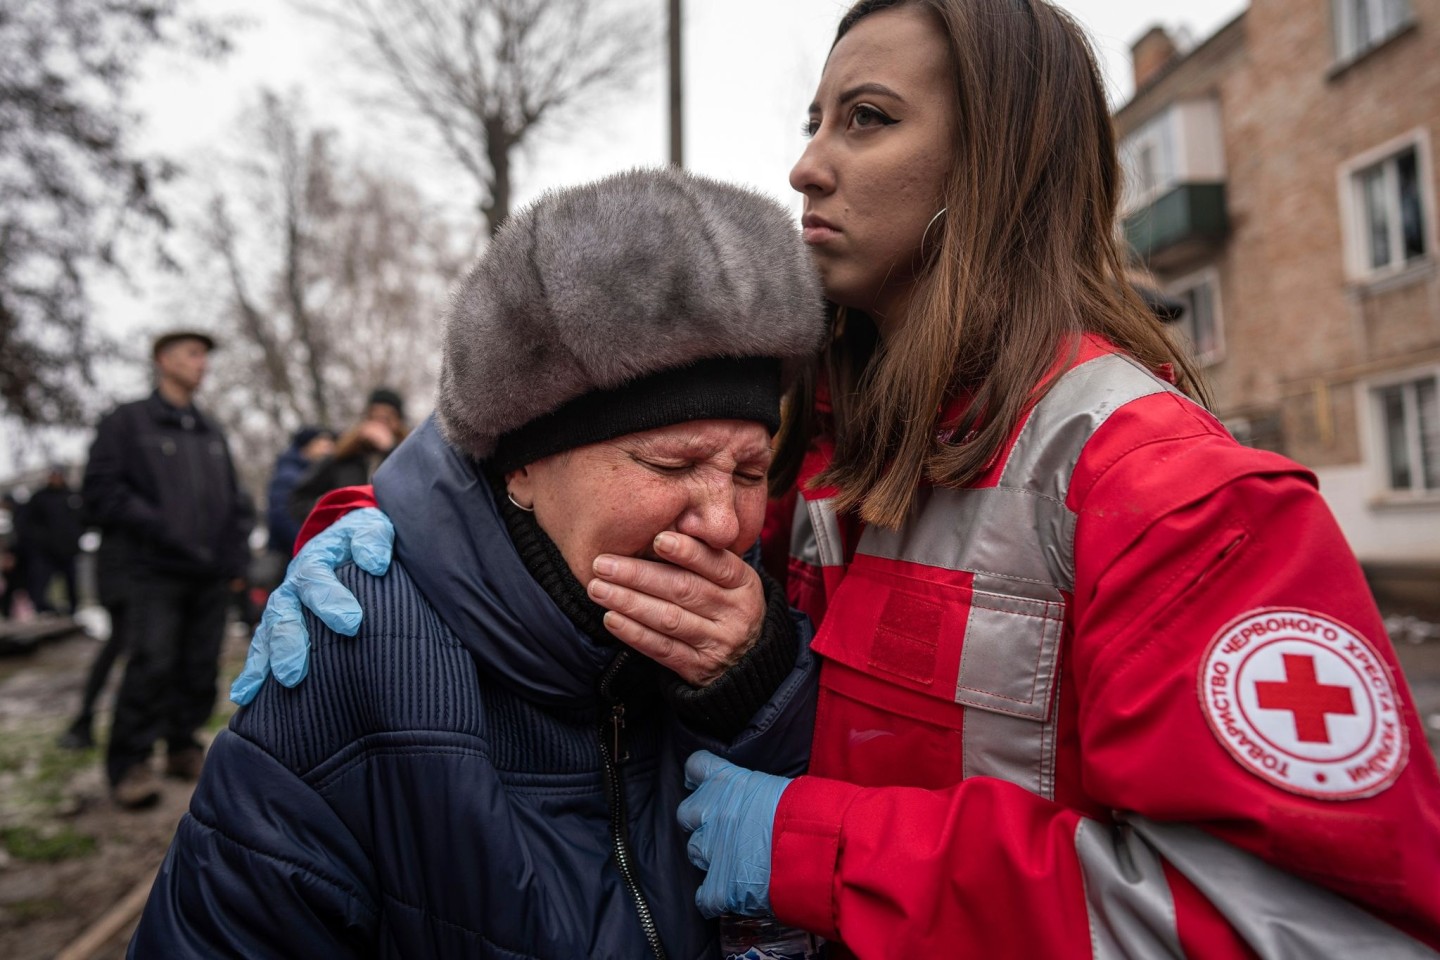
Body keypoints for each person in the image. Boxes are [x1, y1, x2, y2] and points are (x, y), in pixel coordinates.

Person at [239, 2, 1440, 956]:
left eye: (865, 120)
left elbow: (1307, 932)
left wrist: (817, 849)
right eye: (813, 119)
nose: (807, 166)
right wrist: (383, 537)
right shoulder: (812, 418)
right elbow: (553, 454)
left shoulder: (1177, 499)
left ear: (999, 164)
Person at [129, 169, 826, 958]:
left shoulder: (770, 638)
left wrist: (756, 696)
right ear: (523, 467)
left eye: (748, 471)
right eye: (670, 465)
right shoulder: (353, 650)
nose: (727, 523)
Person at [83, 330, 251, 808]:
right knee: (152, 662)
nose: (203, 364)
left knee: (199, 664)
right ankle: (130, 763)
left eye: (205, 356)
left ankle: (181, 745)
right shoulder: (128, 422)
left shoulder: (210, 430)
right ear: (163, 359)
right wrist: (162, 528)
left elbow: (236, 499)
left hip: (209, 574)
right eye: (193, 354)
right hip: (151, 570)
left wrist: (234, 554)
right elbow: (102, 490)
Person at [288, 389, 406, 525]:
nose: (378, 425)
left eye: (386, 419)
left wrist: (390, 450)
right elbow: (299, 500)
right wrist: (332, 515)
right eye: (374, 417)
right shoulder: (341, 458)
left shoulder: (407, 459)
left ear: (398, 423)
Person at [19, 467, 83, 615]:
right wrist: (40, 541)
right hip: (45, 552)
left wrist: (75, 538)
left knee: (71, 584)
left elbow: (81, 520)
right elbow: (27, 523)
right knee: (40, 583)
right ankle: (44, 609)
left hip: (68, 550)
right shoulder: (39, 498)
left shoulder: (72, 497)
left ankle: (72, 612)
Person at [265, 425, 335, 559]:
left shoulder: (316, 473)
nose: (329, 448)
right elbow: (282, 517)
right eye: (323, 443)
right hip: (291, 553)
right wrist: (307, 547)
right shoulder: (289, 476)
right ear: (308, 446)